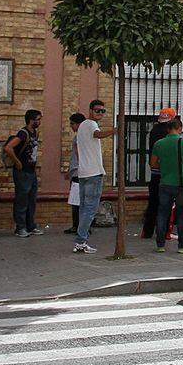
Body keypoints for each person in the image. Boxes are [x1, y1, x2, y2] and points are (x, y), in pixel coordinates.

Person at [73, 98, 117, 253]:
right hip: (93, 173)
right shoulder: (91, 124)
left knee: (84, 208)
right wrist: (113, 131)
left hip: (83, 173)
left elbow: (78, 149)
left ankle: (80, 240)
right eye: (98, 110)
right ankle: (81, 241)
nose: (100, 114)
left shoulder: (81, 127)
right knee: (90, 209)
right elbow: (97, 134)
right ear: (90, 110)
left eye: (102, 111)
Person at [150, 117, 183, 254]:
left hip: (164, 182)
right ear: (179, 128)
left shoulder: (159, 143)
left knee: (162, 213)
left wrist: (165, 165)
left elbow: (153, 164)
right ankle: (182, 245)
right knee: (182, 214)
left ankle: (160, 244)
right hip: (182, 183)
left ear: (167, 129)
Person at [4, 109, 43, 237]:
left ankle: (30, 225)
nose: (39, 122)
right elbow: (8, 147)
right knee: (22, 199)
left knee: (31, 199)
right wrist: (17, 162)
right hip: (22, 172)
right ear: (31, 120)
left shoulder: (34, 133)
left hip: (31, 171)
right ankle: (20, 227)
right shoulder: (23, 133)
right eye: (38, 119)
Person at [141, 107, 175, 240]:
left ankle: (147, 231)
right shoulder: (169, 134)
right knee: (166, 205)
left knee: (153, 203)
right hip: (167, 174)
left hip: (154, 173)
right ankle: (165, 232)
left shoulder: (154, 130)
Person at [64, 111, 85, 234]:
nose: (71, 126)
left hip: (78, 172)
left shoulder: (78, 137)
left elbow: (78, 154)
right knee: (80, 200)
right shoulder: (82, 136)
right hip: (77, 171)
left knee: (76, 201)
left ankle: (76, 226)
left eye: (72, 124)